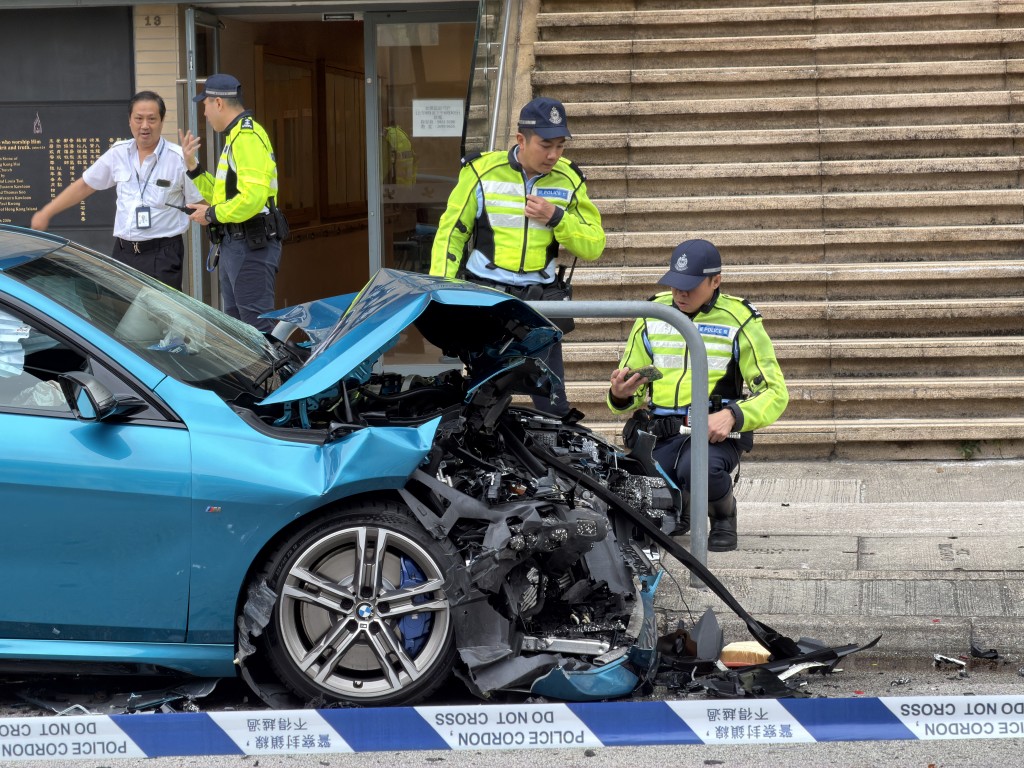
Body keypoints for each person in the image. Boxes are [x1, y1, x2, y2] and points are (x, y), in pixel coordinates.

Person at [607, 239, 789, 552]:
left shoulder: (739, 319)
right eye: (675, 285)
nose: (680, 294)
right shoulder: (652, 314)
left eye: (690, 286)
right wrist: (621, 394)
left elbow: (775, 392)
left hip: (713, 432)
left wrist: (734, 415)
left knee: (697, 467)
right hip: (662, 430)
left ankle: (723, 516)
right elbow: (632, 386)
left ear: (716, 281)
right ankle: (683, 509)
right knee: (637, 484)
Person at [430, 96, 605, 418]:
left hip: (539, 302)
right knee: (483, 389)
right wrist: (442, 290)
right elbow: (451, 234)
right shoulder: (481, 171)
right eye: (545, 145)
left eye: (560, 146)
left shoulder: (569, 178)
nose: (553, 155)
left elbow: (594, 245)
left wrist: (557, 218)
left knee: (550, 394)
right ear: (521, 140)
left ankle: (556, 458)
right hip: (487, 296)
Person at [31, 91, 203, 290]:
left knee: (158, 318)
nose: (144, 125)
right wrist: (47, 212)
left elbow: (201, 205)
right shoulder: (118, 153)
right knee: (116, 314)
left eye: (152, 119)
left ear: (162, 121)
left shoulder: (180, 159)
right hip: (123, 252)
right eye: (138, 119)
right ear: (129, 120)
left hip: (162, 253)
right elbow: (85, 184)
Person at [181, 74, 286, 332]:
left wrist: (212, 215)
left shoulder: (247, 138)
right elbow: (221, 195)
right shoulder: (235, 137)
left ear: (218, 103)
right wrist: (193, 167)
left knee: (257, 328)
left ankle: (282, 374)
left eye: (204, 105)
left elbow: (252, 199)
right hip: (237, 244)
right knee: (240, 329)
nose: (204, 113)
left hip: (250, 244)